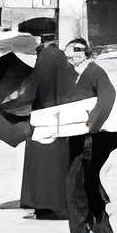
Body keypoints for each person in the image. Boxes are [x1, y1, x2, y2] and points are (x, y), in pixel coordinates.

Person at [61, 37, 117, 233]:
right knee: (87, 189)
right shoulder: (76, 76)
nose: (70, 58)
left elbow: (107, 99)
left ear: (84, 52)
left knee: (76, 188)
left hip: (92, 140)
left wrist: (91, 125)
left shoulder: (95, 72)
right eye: (68, 55)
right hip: (78, 139)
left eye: (74, 53)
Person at [19, 15, 77, 221]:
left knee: (44, 164)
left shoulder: (45, 57)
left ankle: (44, 205)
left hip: (45, 114)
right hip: (52, 115)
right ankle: (49, 205)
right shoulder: (56, 56)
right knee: (52, 163)